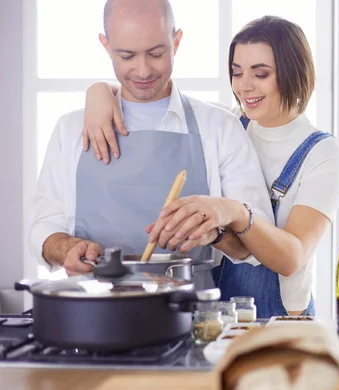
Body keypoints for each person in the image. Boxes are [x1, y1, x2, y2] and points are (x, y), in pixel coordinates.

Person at [83, 15, 339, 317]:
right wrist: (99, 92)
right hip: (224, 311)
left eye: (260, 74)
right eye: (237, 73)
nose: (244, 86)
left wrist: (235, 211)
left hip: (283, 317)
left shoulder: (323, 153)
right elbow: (162, 96)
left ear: (293, 73)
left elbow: (292, 258)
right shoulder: (228, 124)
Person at [28, 0, 274, 291]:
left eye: (156, 54)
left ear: (176, 41)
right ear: (106, 46)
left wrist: (216, 234)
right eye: (127, 55)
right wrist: (66, 248)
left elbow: (253, 247)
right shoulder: (70, 129)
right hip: (92, 312)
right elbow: (42, 230)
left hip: (190, 314)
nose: (143, 71)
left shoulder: (219, 127)